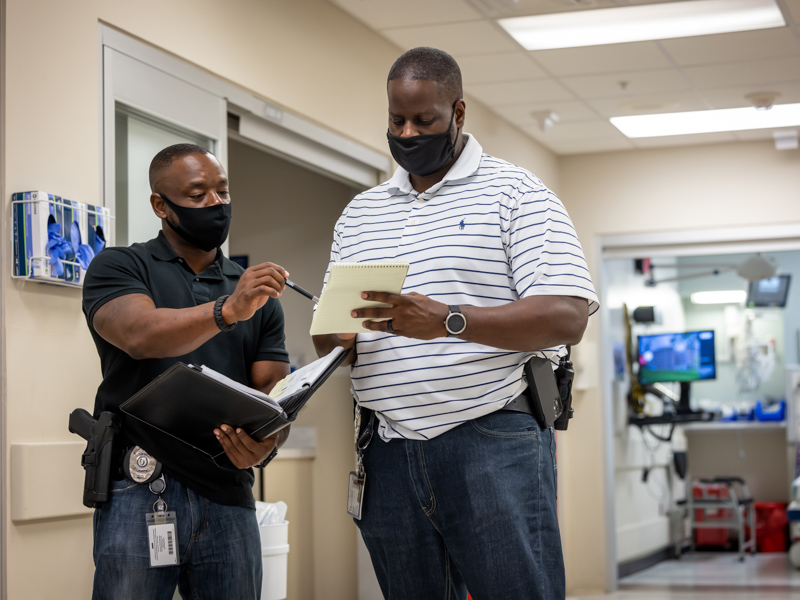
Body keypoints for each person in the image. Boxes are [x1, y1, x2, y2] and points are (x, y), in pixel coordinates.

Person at [313, 47, 599, 600]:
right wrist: (336, 335)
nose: (407, 131)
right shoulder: (361, 213)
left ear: (459, 114)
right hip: (388, 448)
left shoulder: (517, 194)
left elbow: (565, 316)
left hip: (492, 440)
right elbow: (333, 336)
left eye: (425, 120)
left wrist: (448, 320)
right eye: (397, 119)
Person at [82, 143, 292, 600]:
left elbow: (274, 396)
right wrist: (228, 309)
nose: (215, 204)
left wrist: (264, 445)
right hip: (141, 487)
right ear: (161, 205)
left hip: (228, 492)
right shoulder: (120, 266)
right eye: (197, 195)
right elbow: (140, 333)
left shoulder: (253, 294)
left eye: (222, 191)